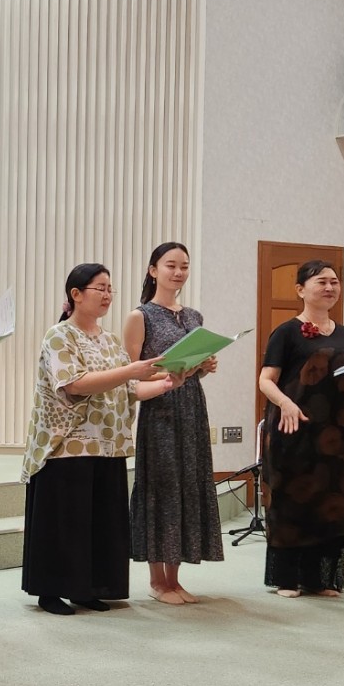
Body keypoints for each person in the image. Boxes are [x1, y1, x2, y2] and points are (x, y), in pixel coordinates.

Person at [21, 264, 178, 615]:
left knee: (98, 521)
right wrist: (130, 370)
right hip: (67, 443)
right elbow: (74, 384)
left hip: (108, 442)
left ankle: (87, 588)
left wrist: (169, 383)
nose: (107, 295)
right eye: (100, 288)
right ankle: (51, 591)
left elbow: (129, 388)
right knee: (66, 522)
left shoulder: (109, 340)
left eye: (110, 289)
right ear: (76, 294)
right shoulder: (60, 335)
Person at [257, 260, 344, 598]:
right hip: (295, 427)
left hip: (340, 434)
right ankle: (287, 579)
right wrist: (286, 403)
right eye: (321, 281)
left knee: (333, 500)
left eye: (335, 281)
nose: (330, 287)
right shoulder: (286, 332)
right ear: (300, 289)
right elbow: (266, 380)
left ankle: (320, 579)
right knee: (293, 499)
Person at [122, 242, 224, 605]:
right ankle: (157, 581)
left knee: (187, 485)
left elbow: (194, 369)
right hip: (160, 407)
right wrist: (168, 375)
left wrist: (204, 366)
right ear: (153, 271)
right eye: (170, 265)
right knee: (161, 487)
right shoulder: (140, 316)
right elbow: (130, 375)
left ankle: (175, 579)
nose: (178, 272)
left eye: (184, 266)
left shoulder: (194, 316)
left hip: (192, 405)